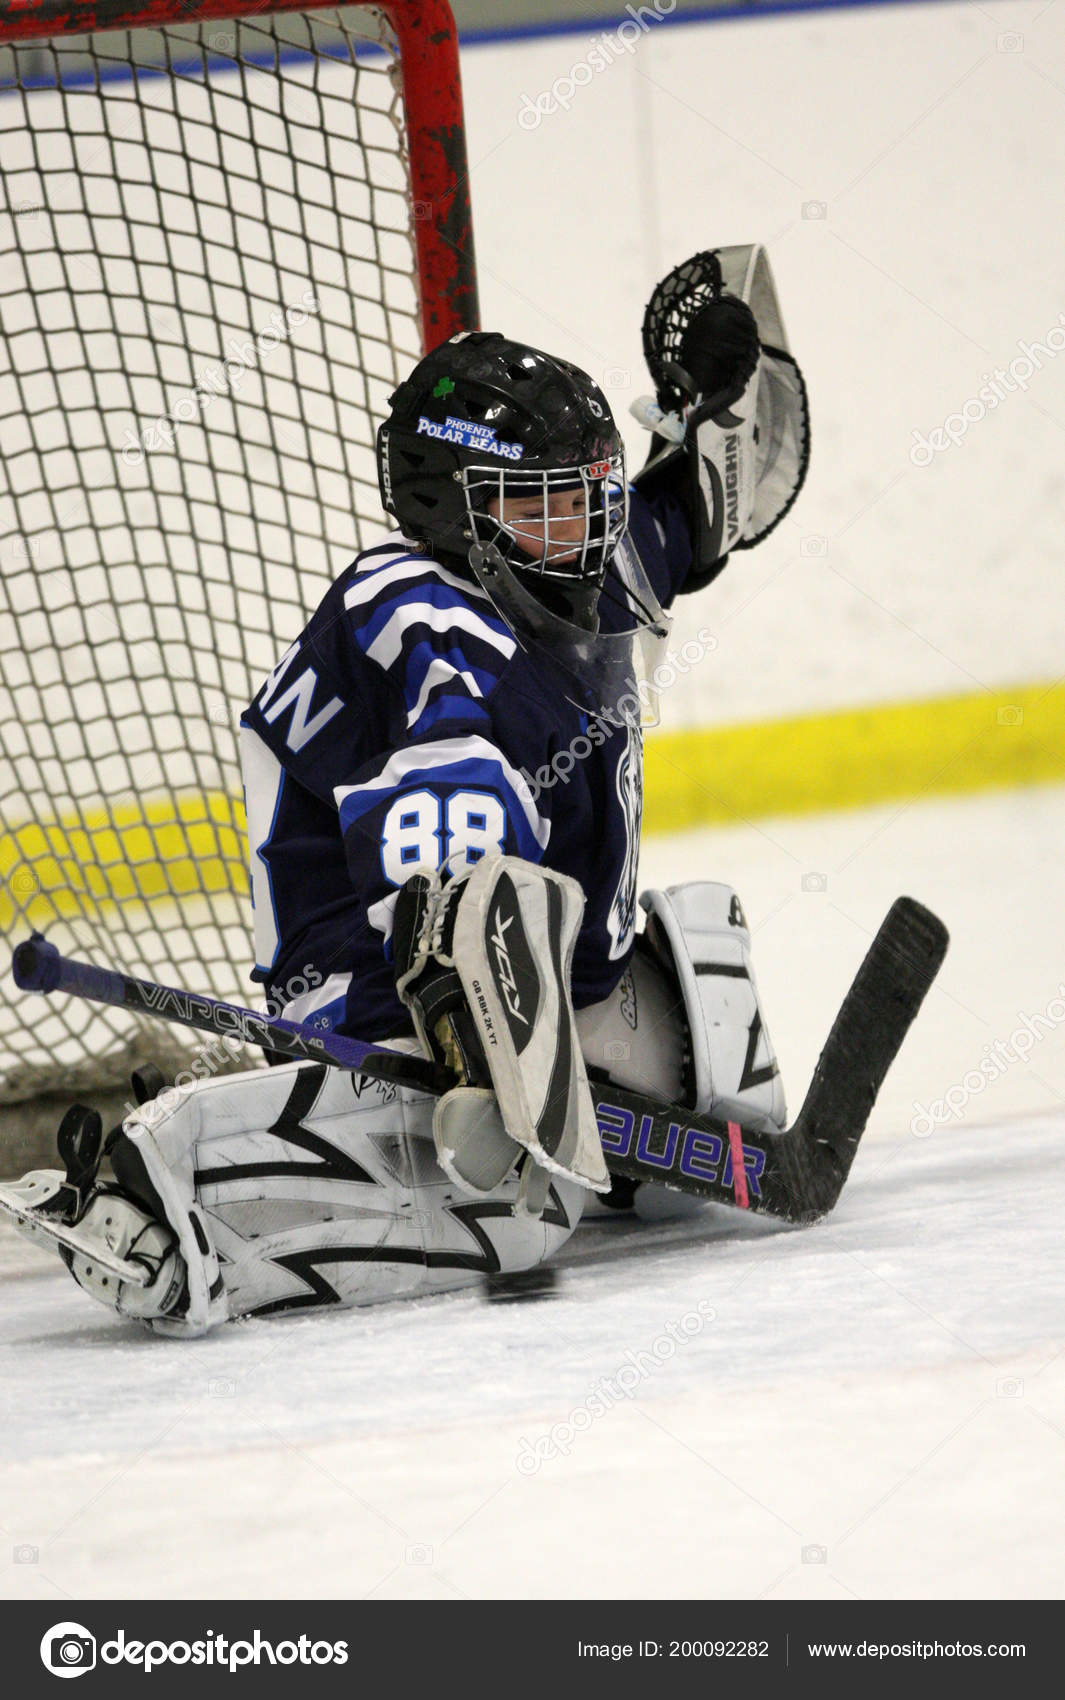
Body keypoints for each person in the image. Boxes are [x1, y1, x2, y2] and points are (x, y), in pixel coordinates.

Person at [16, 249, 810, 1334]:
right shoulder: (417, 611)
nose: (584, 531)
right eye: (547, 508)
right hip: (383, 1009)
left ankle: (527, 1113)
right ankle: (163, 1199)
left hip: (554, 989)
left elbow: (732, 489)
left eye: (591, 498)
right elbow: (446, 848)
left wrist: (719, 387)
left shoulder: (576, 565)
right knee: (514, 1211)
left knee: (709, 989)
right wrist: (481, 1047)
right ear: (460, 513)